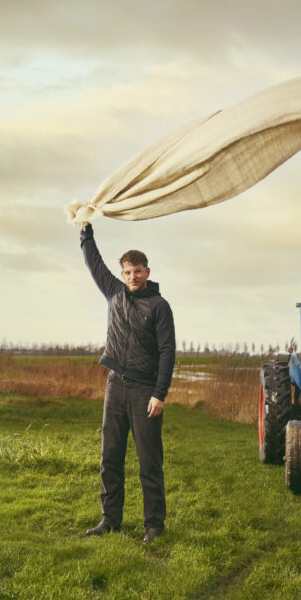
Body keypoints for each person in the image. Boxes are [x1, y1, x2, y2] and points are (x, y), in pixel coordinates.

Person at [79, 223, 175, 544]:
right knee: (110, 457)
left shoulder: (159, 307)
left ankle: (154, 526)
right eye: (128, 272)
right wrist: (85, 232)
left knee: (149, 461)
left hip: (144, 390)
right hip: (115, 385)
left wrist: (159, 393)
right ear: (122, 274)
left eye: (138, 271)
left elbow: (167, 351)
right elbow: (94, 263)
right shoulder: (114, 293)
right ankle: (110, 520)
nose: (133, 276)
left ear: (147, 272)